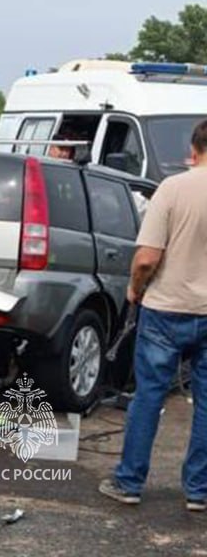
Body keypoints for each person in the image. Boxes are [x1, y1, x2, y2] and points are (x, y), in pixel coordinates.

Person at [101, 119, 207, 512]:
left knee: (148, 397)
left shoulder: (173, 188)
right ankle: (199, 491)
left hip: (166, 309)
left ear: (193, 151)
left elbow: (146, 258)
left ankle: (129, 481)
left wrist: (133, 289)